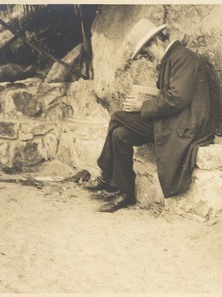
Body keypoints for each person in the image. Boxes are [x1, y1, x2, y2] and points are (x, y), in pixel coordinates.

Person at [86, 19, 214, 213]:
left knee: (117, 117)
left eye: (145, 52)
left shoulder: (182, 58)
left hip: (185, 126)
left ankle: (106, 175)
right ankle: (125, 192)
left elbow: (176, 99)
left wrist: (142, 105)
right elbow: (172, 97)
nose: (146, 57)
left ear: (155, 42)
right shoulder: (171, 59)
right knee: (120, 134)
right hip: (173, 121)